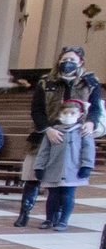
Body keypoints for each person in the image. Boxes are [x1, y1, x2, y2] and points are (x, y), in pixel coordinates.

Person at [19, 46, 103, 226]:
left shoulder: (90, 82)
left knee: (64, 182)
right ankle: (24, 212)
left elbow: (95, 108)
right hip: (45, 132)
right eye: (64, 59)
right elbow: (37, 110)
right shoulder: (46, 81)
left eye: (72, 60)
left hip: (74, 135)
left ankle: (56, 218)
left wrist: (90, 122)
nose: (68, 63)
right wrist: (48, 129)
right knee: (33, 175)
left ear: (80, 62)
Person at [33, 98, 97, 231]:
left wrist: (87, 165)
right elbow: (43, 151)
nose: (69, 116)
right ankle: (49, 219)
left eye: (73, 113)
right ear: (60, 113)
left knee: (68, 194)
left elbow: (88, 149)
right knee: (53, 195)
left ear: (80, 114)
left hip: (73, 169)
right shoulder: (53, 131)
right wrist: (39, 166)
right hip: (53, 168)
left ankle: (63, 221)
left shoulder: (83, 130)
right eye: (66, 112)